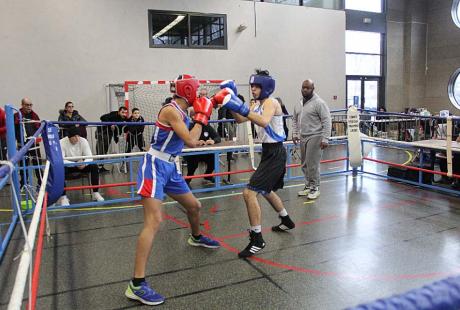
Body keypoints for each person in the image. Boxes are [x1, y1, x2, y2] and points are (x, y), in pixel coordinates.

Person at [125, 74, 220, 306]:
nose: (198, 94)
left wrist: (201, 131)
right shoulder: (171, 110)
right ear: (188, 90)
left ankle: (196, 237)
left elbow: (192, 140)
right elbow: (189, 140)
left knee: (194, 206)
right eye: (196, 90)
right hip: (155, 166)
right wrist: (202, 117)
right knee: (154, 221)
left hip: (170, 166)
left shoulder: (183, 112)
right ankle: (136, 285)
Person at [213, 71, 295, 258]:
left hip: (276, 152)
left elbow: (264, 122)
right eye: (251, 86)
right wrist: (231, 102)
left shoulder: (271, 103)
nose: (253, 89)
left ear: (265, 86)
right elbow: (241, 119)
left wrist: (242, 108)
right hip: (268, 152)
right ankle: (286, 220)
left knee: (249, 192)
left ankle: (257, 238)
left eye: (256, 86)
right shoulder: (257, 105)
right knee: (265, 190)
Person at [293, 79, 332, 200]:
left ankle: (315, 187)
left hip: (316, 136)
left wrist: (325, 138)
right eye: (303, 87)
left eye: (307, 88)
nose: (305, 89)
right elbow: (295, 119)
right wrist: (295, 133)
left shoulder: (319, 103)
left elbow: (327, 120)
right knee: (304, 164)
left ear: (313, 89)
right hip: (303, 136)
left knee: (312, 164)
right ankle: (309, 185)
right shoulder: (299, 103)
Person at [58, 127, 104, 205]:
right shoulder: (61, 142)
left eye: (78, 136)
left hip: (81, 164)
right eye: (74, 136)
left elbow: (89, 156)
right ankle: (63, 197)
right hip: (69, 166)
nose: (77, 138)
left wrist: (84, 163)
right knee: (60, 170)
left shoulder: (83, 141)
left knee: (94, 166)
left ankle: (95, 193)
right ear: (69, 137)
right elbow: (61, 160)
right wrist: (74, 164)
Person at [185, 109, 221, 187]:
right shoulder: (188, 126)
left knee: (214, 158)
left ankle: (208, 175)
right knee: (193, 164)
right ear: (192, 117)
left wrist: (213, 141)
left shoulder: (207, 126)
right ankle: (188, 179)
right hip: (192, 153)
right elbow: (185, 140)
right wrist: (196, 142)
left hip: (205, 152)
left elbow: (217, 137)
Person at [14, 98, 42, 187]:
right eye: (27, 105)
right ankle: (23, 184)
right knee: (23, 165)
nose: (29, 107)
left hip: (34, 145)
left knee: (37, 164)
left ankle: (40, 182)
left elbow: (39, 128)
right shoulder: (16, 116)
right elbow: (13, 130)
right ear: (22, 105)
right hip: (22, 145)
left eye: (30, 105)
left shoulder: (35, 115)